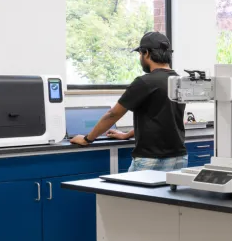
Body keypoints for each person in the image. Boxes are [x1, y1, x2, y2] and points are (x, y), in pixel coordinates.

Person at [70, 31, 188, 172]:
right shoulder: (180, 81)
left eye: (140, 54)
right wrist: (126, 135)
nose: (140, 58)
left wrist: (87, 139)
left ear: (147, 53)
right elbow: (163, 118)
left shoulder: (145, 82)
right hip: (179, 158)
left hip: (151, 160)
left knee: (130, 195)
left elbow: (113, 114)